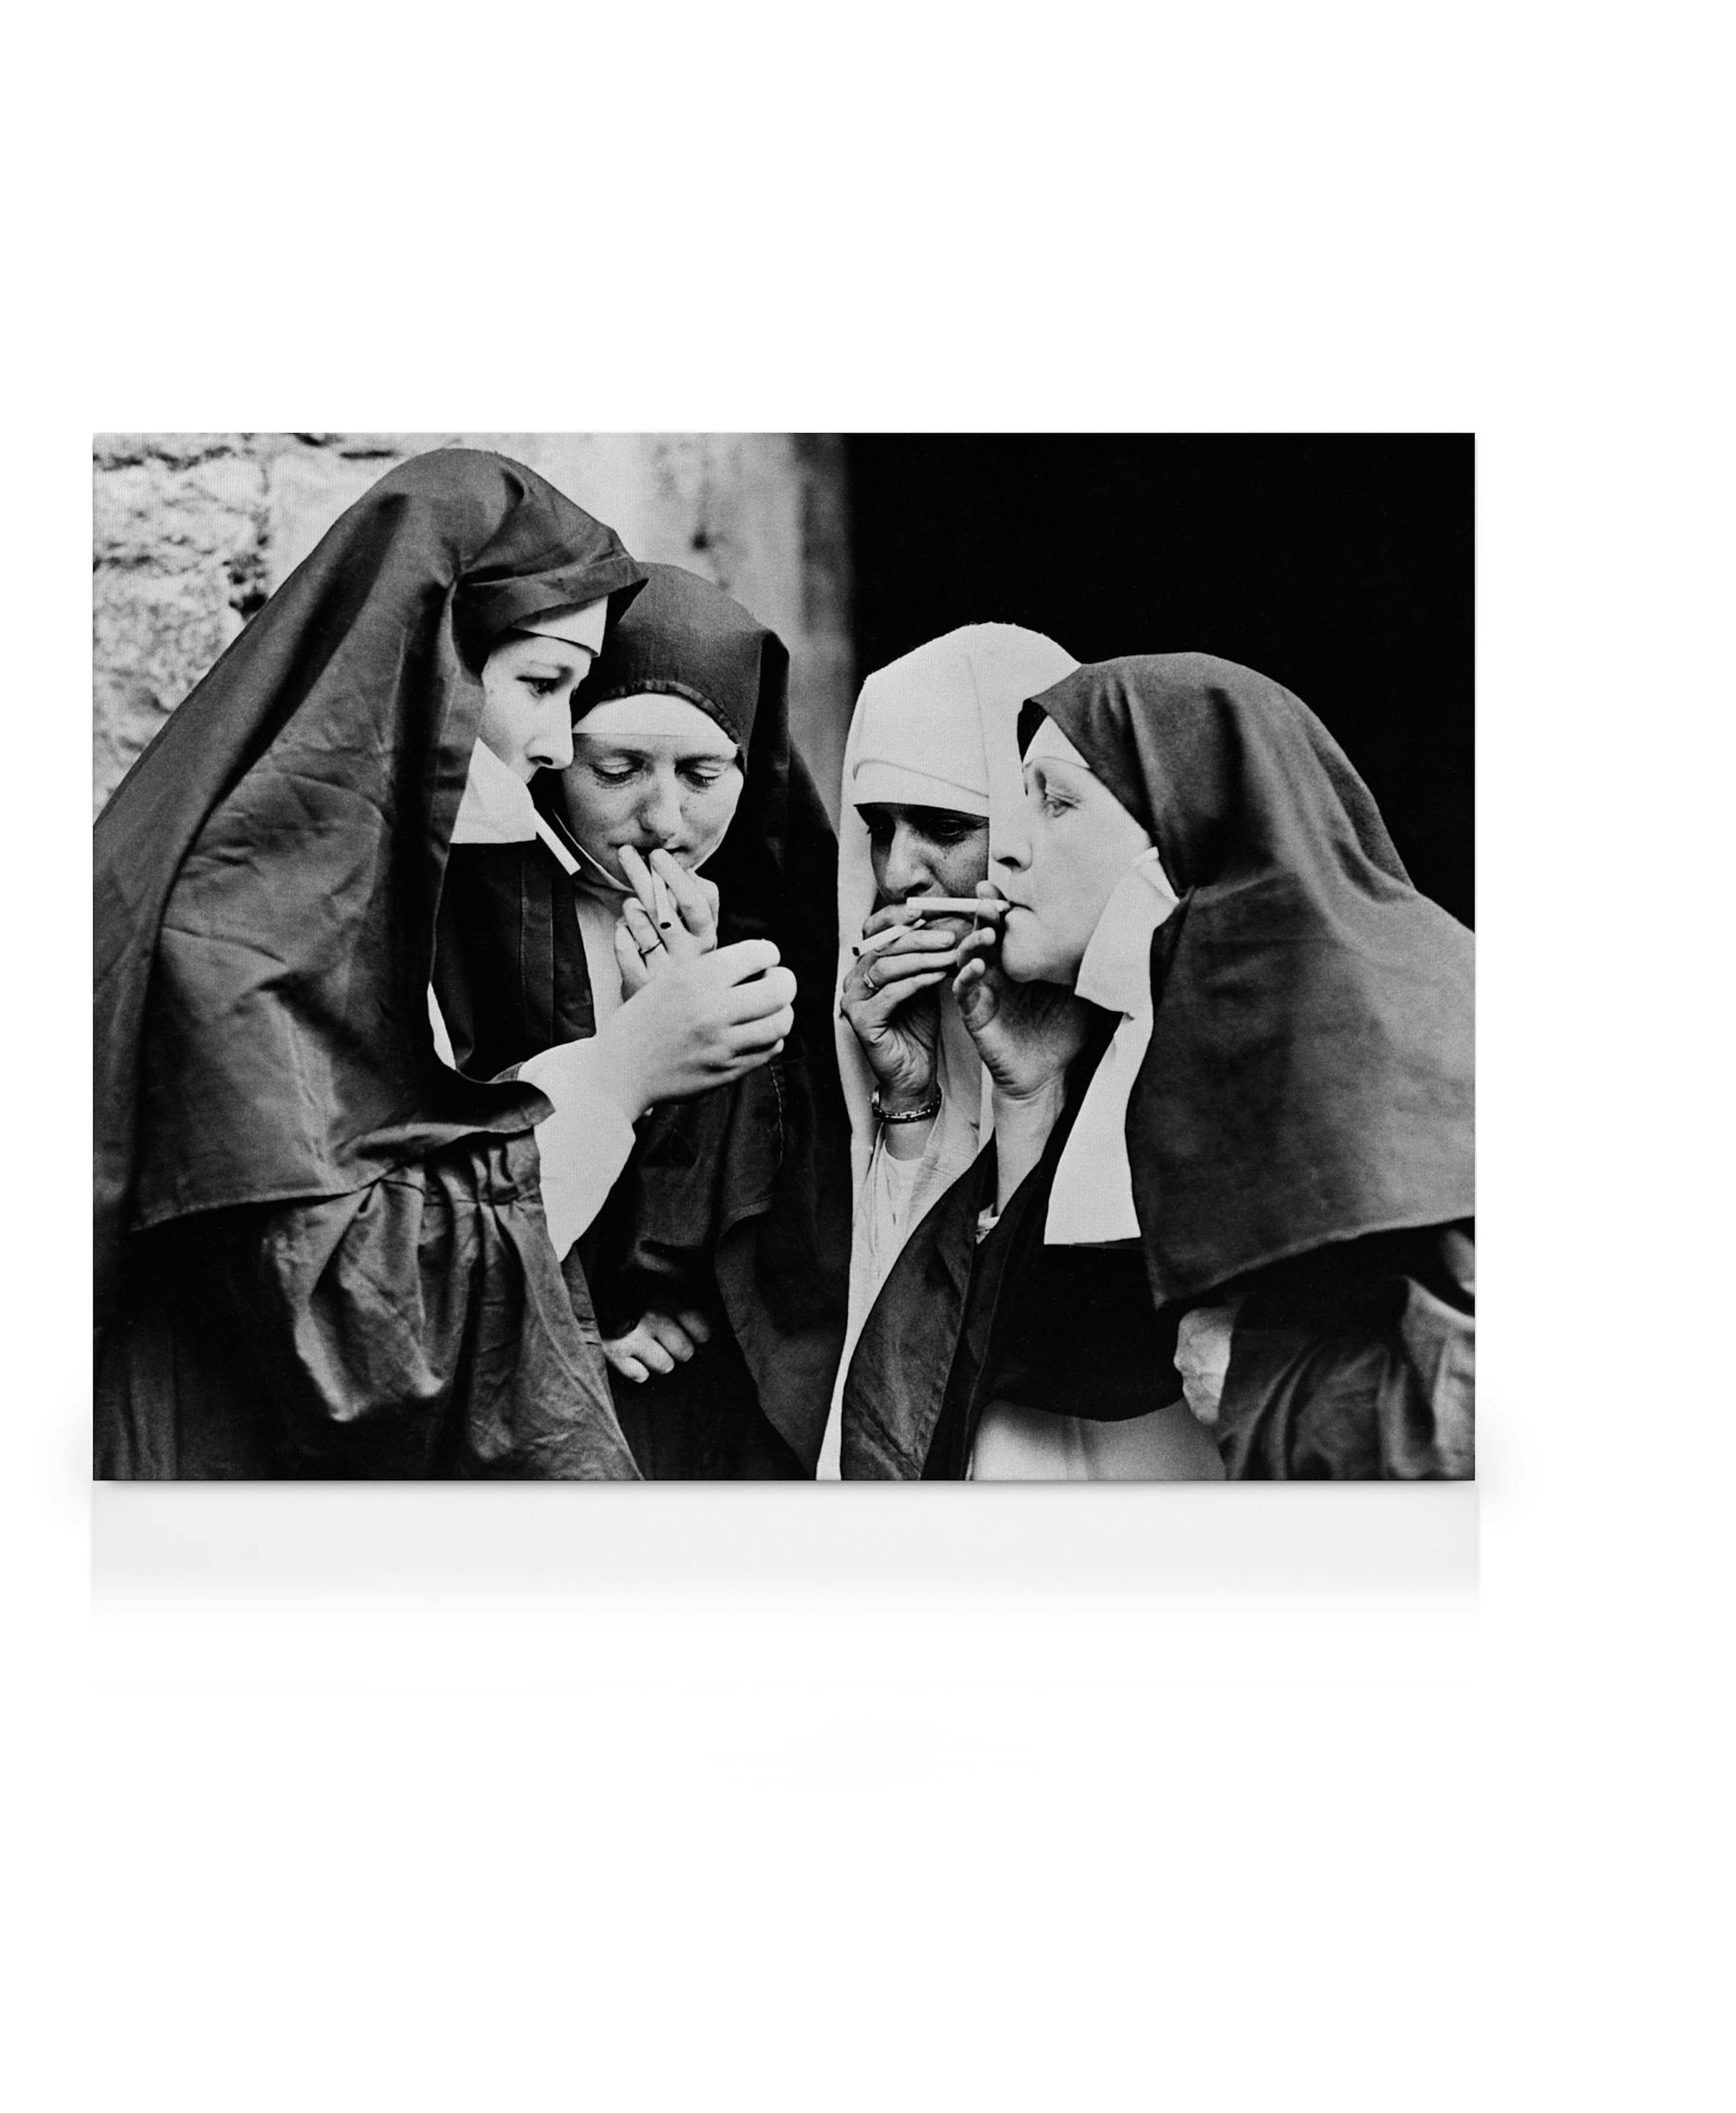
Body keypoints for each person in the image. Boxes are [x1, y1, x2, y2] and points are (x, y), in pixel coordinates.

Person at [95, 450, 797, 1479]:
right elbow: (364, 1323)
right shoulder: (248, 918)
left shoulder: (357, 882)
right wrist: (618, 1073)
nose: (555, 744)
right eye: (544, 685)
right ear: (426, 659)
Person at [994, 652, 1475, 1480]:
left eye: (1059, 802)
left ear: (1190, 823)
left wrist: (1270, 1390)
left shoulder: (1362, 1015)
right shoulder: (1130, 1032)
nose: (1006, 852)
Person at [433, 564, 848, 1478]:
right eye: (617, 770)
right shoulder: (463, 919)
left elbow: (820, 1181)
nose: (666, 819)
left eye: (704, 774)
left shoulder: (774, 915)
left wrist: (717, 1286)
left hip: (721, 1384)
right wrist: (596, 1307)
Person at [817, 623, 1077, 1477]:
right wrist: (905, 1103)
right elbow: (893, 1347)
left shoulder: (1154, 1015)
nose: (898, 875)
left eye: (943, 827)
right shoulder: (898, 1020)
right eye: (879, 830)